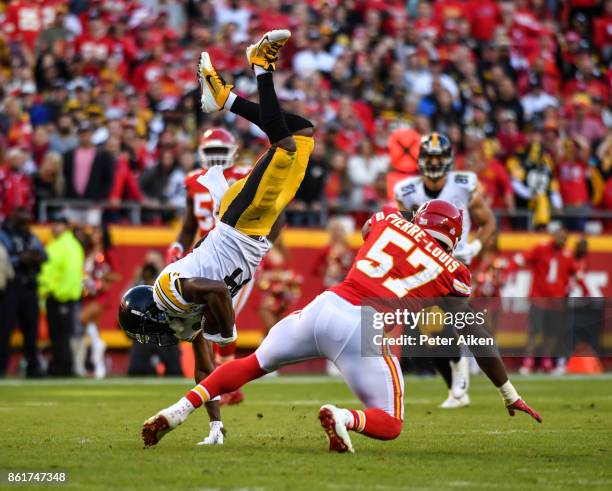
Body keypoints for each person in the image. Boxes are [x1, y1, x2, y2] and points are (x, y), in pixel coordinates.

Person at [140, 200, 541, 451]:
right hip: (364, 327)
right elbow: (472, 331)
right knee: (390, 422)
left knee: (251, 363)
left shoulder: (388, 219)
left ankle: (179, 409)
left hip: (325, 305)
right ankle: (344, 417)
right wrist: (508, 392)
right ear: (452, 238)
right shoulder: (455, 270)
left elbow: (370, 230)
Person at [118, 30, 315, 445]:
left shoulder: (167, 289)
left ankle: (260, 64)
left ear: (148, 311)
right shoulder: (178, 316)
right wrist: (215, 424)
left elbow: (214, 292)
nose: (154, 337)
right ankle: (224, 99)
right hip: (253, 233)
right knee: (302, 132)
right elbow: (205, 370)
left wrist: (227, 336)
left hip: (237, 225)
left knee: (284, 145)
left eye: (146, 329)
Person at [394, 132, 496, 408]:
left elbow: (488, 222)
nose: (435, 162)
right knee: (429, 330)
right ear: (421, 160)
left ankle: (463, 370)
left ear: (449, 159)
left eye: (440, 157)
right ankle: (456, 386)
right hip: (425, 264)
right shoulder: (406, 190)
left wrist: (473, 249)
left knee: (447, 320)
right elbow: (402, 229)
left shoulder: (463, 184)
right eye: (430, 157)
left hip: (454, 263)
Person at [165, 127, 251, 405]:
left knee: (223, 316)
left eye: (220, 151)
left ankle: (228, 384)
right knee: (206, 320)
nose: (215, 158)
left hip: (234, 254)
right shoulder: (193, 181)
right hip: (203, 257)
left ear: (233, 152)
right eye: (210, 151)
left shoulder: (245, 176)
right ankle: (222, 382)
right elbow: (190, 223)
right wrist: (179, 244)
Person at [0, 208, 47, 378]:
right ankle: (2, 367)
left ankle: (32, 367)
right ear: (12, 215)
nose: (25, 216)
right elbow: (4, 258)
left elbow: (44, 255)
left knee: (31, 329)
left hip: (30, 285)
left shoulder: (30, 235)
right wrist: (20, 259)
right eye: (20, 213)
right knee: (5, 329)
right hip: (11, 284)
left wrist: (35, 257)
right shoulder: (4, 234)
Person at [38, 216, 84, 376]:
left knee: (61, 335)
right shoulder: (57, 244)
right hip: (54, 295)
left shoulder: (68, 245)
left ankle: (62, 367)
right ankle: (61, 365)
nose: (54, 228)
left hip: (61, 297)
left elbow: (71, 274)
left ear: (65, 227)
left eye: (58, 225)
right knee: (57, 334)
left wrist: (59, 293)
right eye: (53, 224)